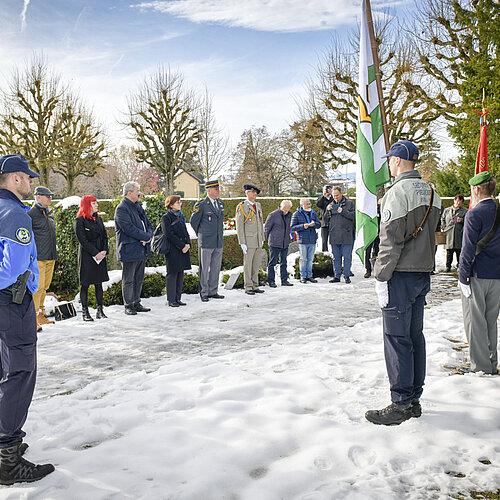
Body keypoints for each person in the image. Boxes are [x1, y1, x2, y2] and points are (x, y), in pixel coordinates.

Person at [366, 140, 441, 426]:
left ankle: (401, 402)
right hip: (422, 272)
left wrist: (381, 276)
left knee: (396, 339)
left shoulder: (397, 192)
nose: (388, 164)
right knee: (414, 336)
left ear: (397, 161)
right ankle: (414, 398)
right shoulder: (432, 190)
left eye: (390, 159)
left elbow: (390, 240)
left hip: (400, 274)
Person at [0, 154, 55, 485]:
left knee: (4, 371)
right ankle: (7, 457)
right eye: (28, 177)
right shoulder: (15, 214)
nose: (32, 183)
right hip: (13, 302)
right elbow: (13, 267)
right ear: (15, 179)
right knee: (20, 373)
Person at [459, 171, 500, 375]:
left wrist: (462, 276)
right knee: (491, 322)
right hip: (497, 274)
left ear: (476, 189)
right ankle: (492, 362)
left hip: (476, 274)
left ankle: (481, 367)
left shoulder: (474, 213)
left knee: (475, 323)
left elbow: (467, 248)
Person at [115, 181, 153, 315]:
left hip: (141, 248)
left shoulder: (138, 206)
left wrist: (148, 235)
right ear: (129, 193)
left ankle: (136, 302)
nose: (139, 194)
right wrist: (144, 236)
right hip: (129, 249)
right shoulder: (122, 208)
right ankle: (128, 305)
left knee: (138, 278)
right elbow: (128, 228)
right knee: (129, 279)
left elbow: (147, 223)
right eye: (137, 191)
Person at [74, 195, 109, 321]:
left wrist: (104, 250)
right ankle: (85, 312)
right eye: (94, 203)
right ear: (87, 205)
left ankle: (100, 310)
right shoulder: (79, 221)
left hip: (100, 254)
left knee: (99, 283)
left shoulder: (98, 219)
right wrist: (95, 253)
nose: (97, 205)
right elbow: (82, 240)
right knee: (85, 284)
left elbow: (105, 236)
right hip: (88, 256)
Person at [28, 186, 58, 332]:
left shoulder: (49, 213)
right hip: (38, 257)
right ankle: (32, 319)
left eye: (50, 196)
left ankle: (41, 315)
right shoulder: (31, 213)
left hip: (50, 256)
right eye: (47, 196)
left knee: (45, 287)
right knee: (37, 288)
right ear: (37, 197)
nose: (49, 198)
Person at [190, 179, 224, 302]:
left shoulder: (221, 203)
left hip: (218, 241)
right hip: (206, 242)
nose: (218, 191)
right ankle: (204, 292)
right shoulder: (201, 205)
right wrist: (202, 234)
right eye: (216, 189)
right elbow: (194, 222)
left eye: (218, 189)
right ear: (209, 190)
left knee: (216, 267)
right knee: (204, 268)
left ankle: (213, 291)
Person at [235, 184, 265, 295]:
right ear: (247, 193)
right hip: (249, 240)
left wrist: (262, 237)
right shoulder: (242, 206)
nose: (255, 194)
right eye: (253, 192)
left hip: (257, 240)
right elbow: (239, 226)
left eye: (256, 192)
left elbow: (260, 223)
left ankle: (255, 285)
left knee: (256, 264)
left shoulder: (258, 205)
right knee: (248, 265)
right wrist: (242, 242)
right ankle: (248, 286)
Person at [162, 195, 191, 307]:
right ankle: (171, 299)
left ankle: (178, 298)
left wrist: (188, 244)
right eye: (177, 202)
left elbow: (185, 231)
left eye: (180, 202)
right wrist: (182, 245)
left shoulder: (181, 216)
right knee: (172, 274)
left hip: (183, 249)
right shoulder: (166, 217)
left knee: (180, 274)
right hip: (173, 250)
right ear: (171, 204)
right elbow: (169, 234)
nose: (180, 204)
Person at [324, 186, 355, 284]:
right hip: (334, 235)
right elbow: (325, 220)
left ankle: (346, 275)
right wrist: (327, 211)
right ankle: (337, 276)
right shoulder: (331, 204)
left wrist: (343, 212)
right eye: (334, 195)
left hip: (346, 235)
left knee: (347, 257)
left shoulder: (350, 204)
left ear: (341, 193)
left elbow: (354, 216)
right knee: (336, 258)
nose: (335, 197)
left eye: (337, 195)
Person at [290, 198, 321, 283]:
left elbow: (319, 224)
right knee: (303, 259)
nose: (309, 205)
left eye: (309, 203)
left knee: (310, 259)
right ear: (301, 205)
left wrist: (314, 224)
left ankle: (309, 276)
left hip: (312, 239)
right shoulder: (296, 214)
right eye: (307, 204)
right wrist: (303, 226)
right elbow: (292, 227)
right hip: (303, 240)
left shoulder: (313, 213)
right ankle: (303, 276)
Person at [264, 200, 294, 287]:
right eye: (284, 209)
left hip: (285, 242)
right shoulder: (273, 215)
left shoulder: (289, 215)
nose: (286, 211)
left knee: (284, 262)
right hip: (275, 242)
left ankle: (284, 280)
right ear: (280, 207)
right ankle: (271, 281)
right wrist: (270, 239)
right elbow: (267, 228)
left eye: (287, 209)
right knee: (272, 262)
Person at [441, 194, 467, 272]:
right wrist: (444, 227)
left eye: (460, 201)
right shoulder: (447, 210)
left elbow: (468, 222)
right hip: (449, 233)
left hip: (459, 234)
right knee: (449, 252)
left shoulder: (465, 211)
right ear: (454, 200)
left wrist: (461, 220)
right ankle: (448, 266)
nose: (458, 202)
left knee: (459, 251)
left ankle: (459, 265)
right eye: (457, 200)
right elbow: (442, 219)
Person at [316, 185, 333, 252]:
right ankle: (325, 252)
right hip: (324, 222)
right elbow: (318, 204)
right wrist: (324, 196)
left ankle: (334, 253)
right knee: (324, 240)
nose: (327, 191)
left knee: (333, 240)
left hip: (333, 221)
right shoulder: (321, 199)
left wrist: (331, 194)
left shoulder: (334, 198)